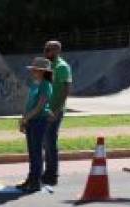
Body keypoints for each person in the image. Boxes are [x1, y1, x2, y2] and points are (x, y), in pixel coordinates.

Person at [17, 57, 54, 193]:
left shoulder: (46, 85)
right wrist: (24, 119)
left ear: (43, 71)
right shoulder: (35, 84)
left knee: (37, 152)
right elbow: (29, 104)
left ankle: (36, 181)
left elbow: (40, 106)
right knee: (32, 153)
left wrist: (26, 119)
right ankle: (31, 178)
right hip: (31, 120)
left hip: (39, 121)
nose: (33, 71)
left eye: (36, 69)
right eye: (33, 69)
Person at [42, 40, 73, 186]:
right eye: (45, 49)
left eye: (49, 50)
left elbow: (66, 91)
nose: (46, 52)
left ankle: (52, 174)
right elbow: (47, 87)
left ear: (57, 51)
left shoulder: (62, 67)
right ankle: (47, 171)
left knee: (50, 141)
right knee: (45, 142)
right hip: (46, 109)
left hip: (56, 110)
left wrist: (56, 110)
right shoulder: (48, 66)